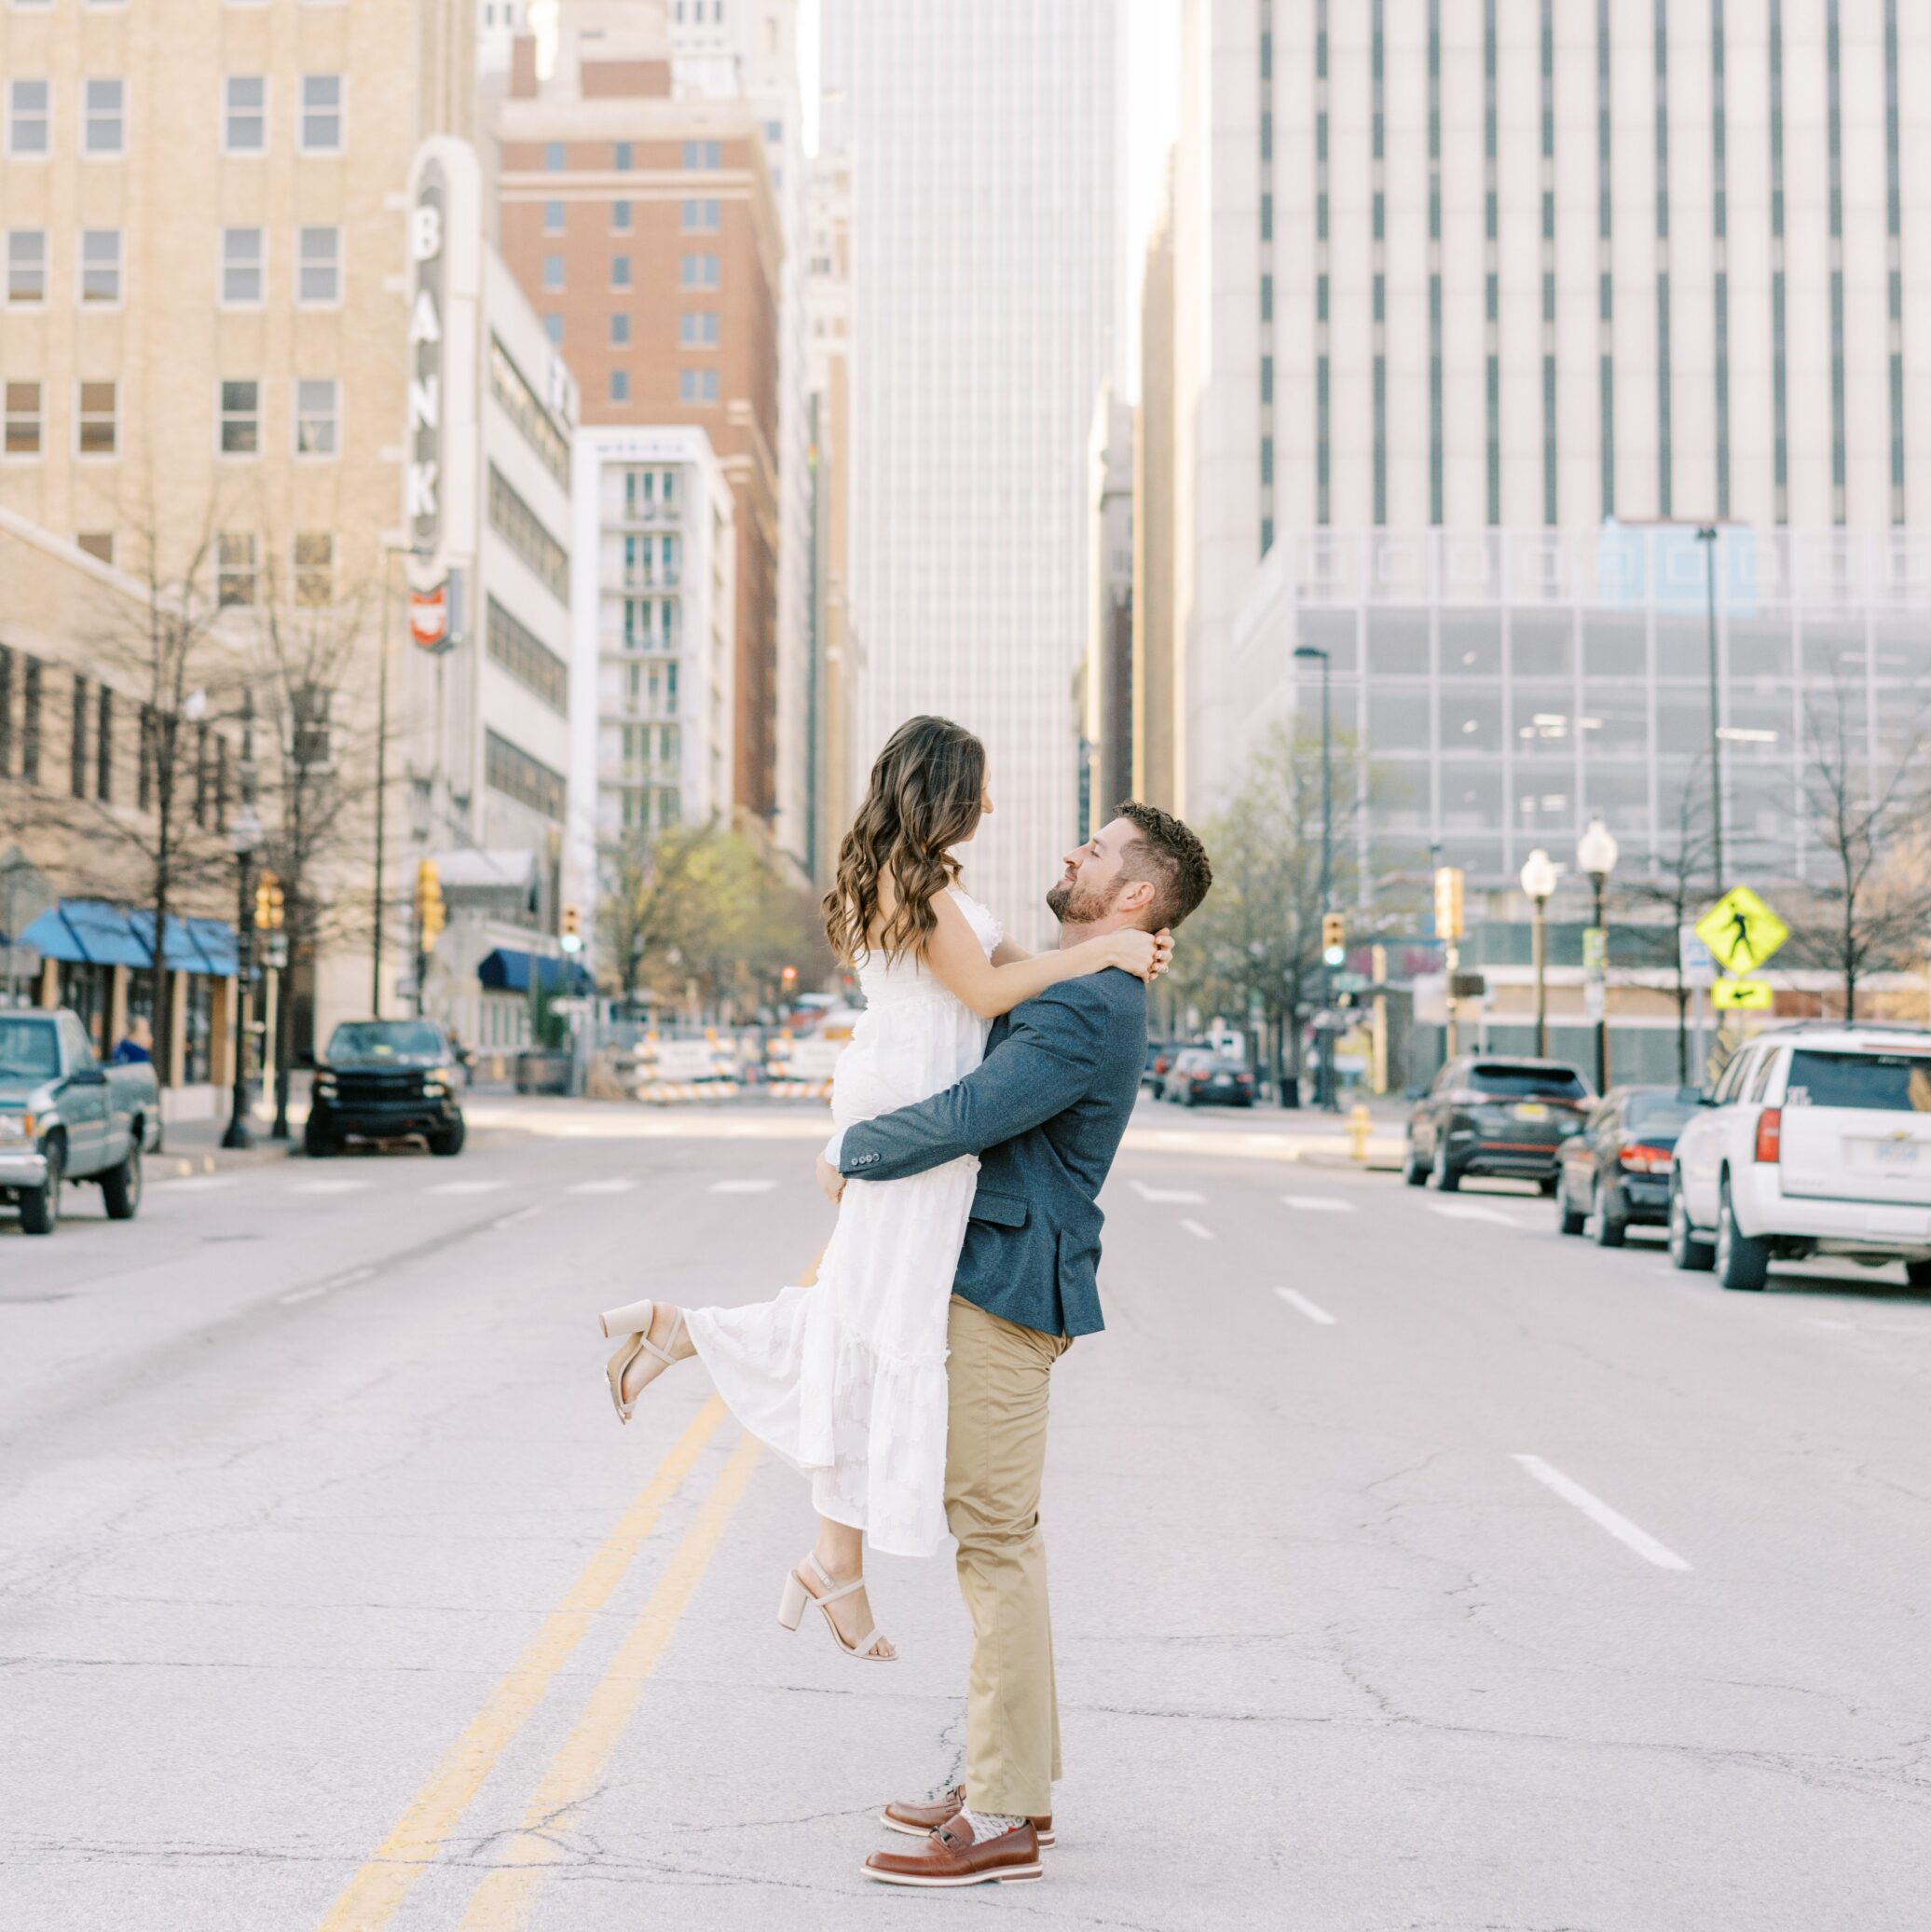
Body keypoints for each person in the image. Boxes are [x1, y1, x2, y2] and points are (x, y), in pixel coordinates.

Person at [593, 716, 1171, 1666]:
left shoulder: (925, 883)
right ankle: (821, 1545)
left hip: (896, 1086)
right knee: (882, 1329)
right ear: (944, 792)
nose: (989, 804)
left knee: (866, 1321)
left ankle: (804, 1517)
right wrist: (1106, 953)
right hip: (911, 1105)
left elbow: (1013, 974)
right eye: (978, 788)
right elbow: (989, 999)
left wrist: (1107, 950)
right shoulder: (926, 887)